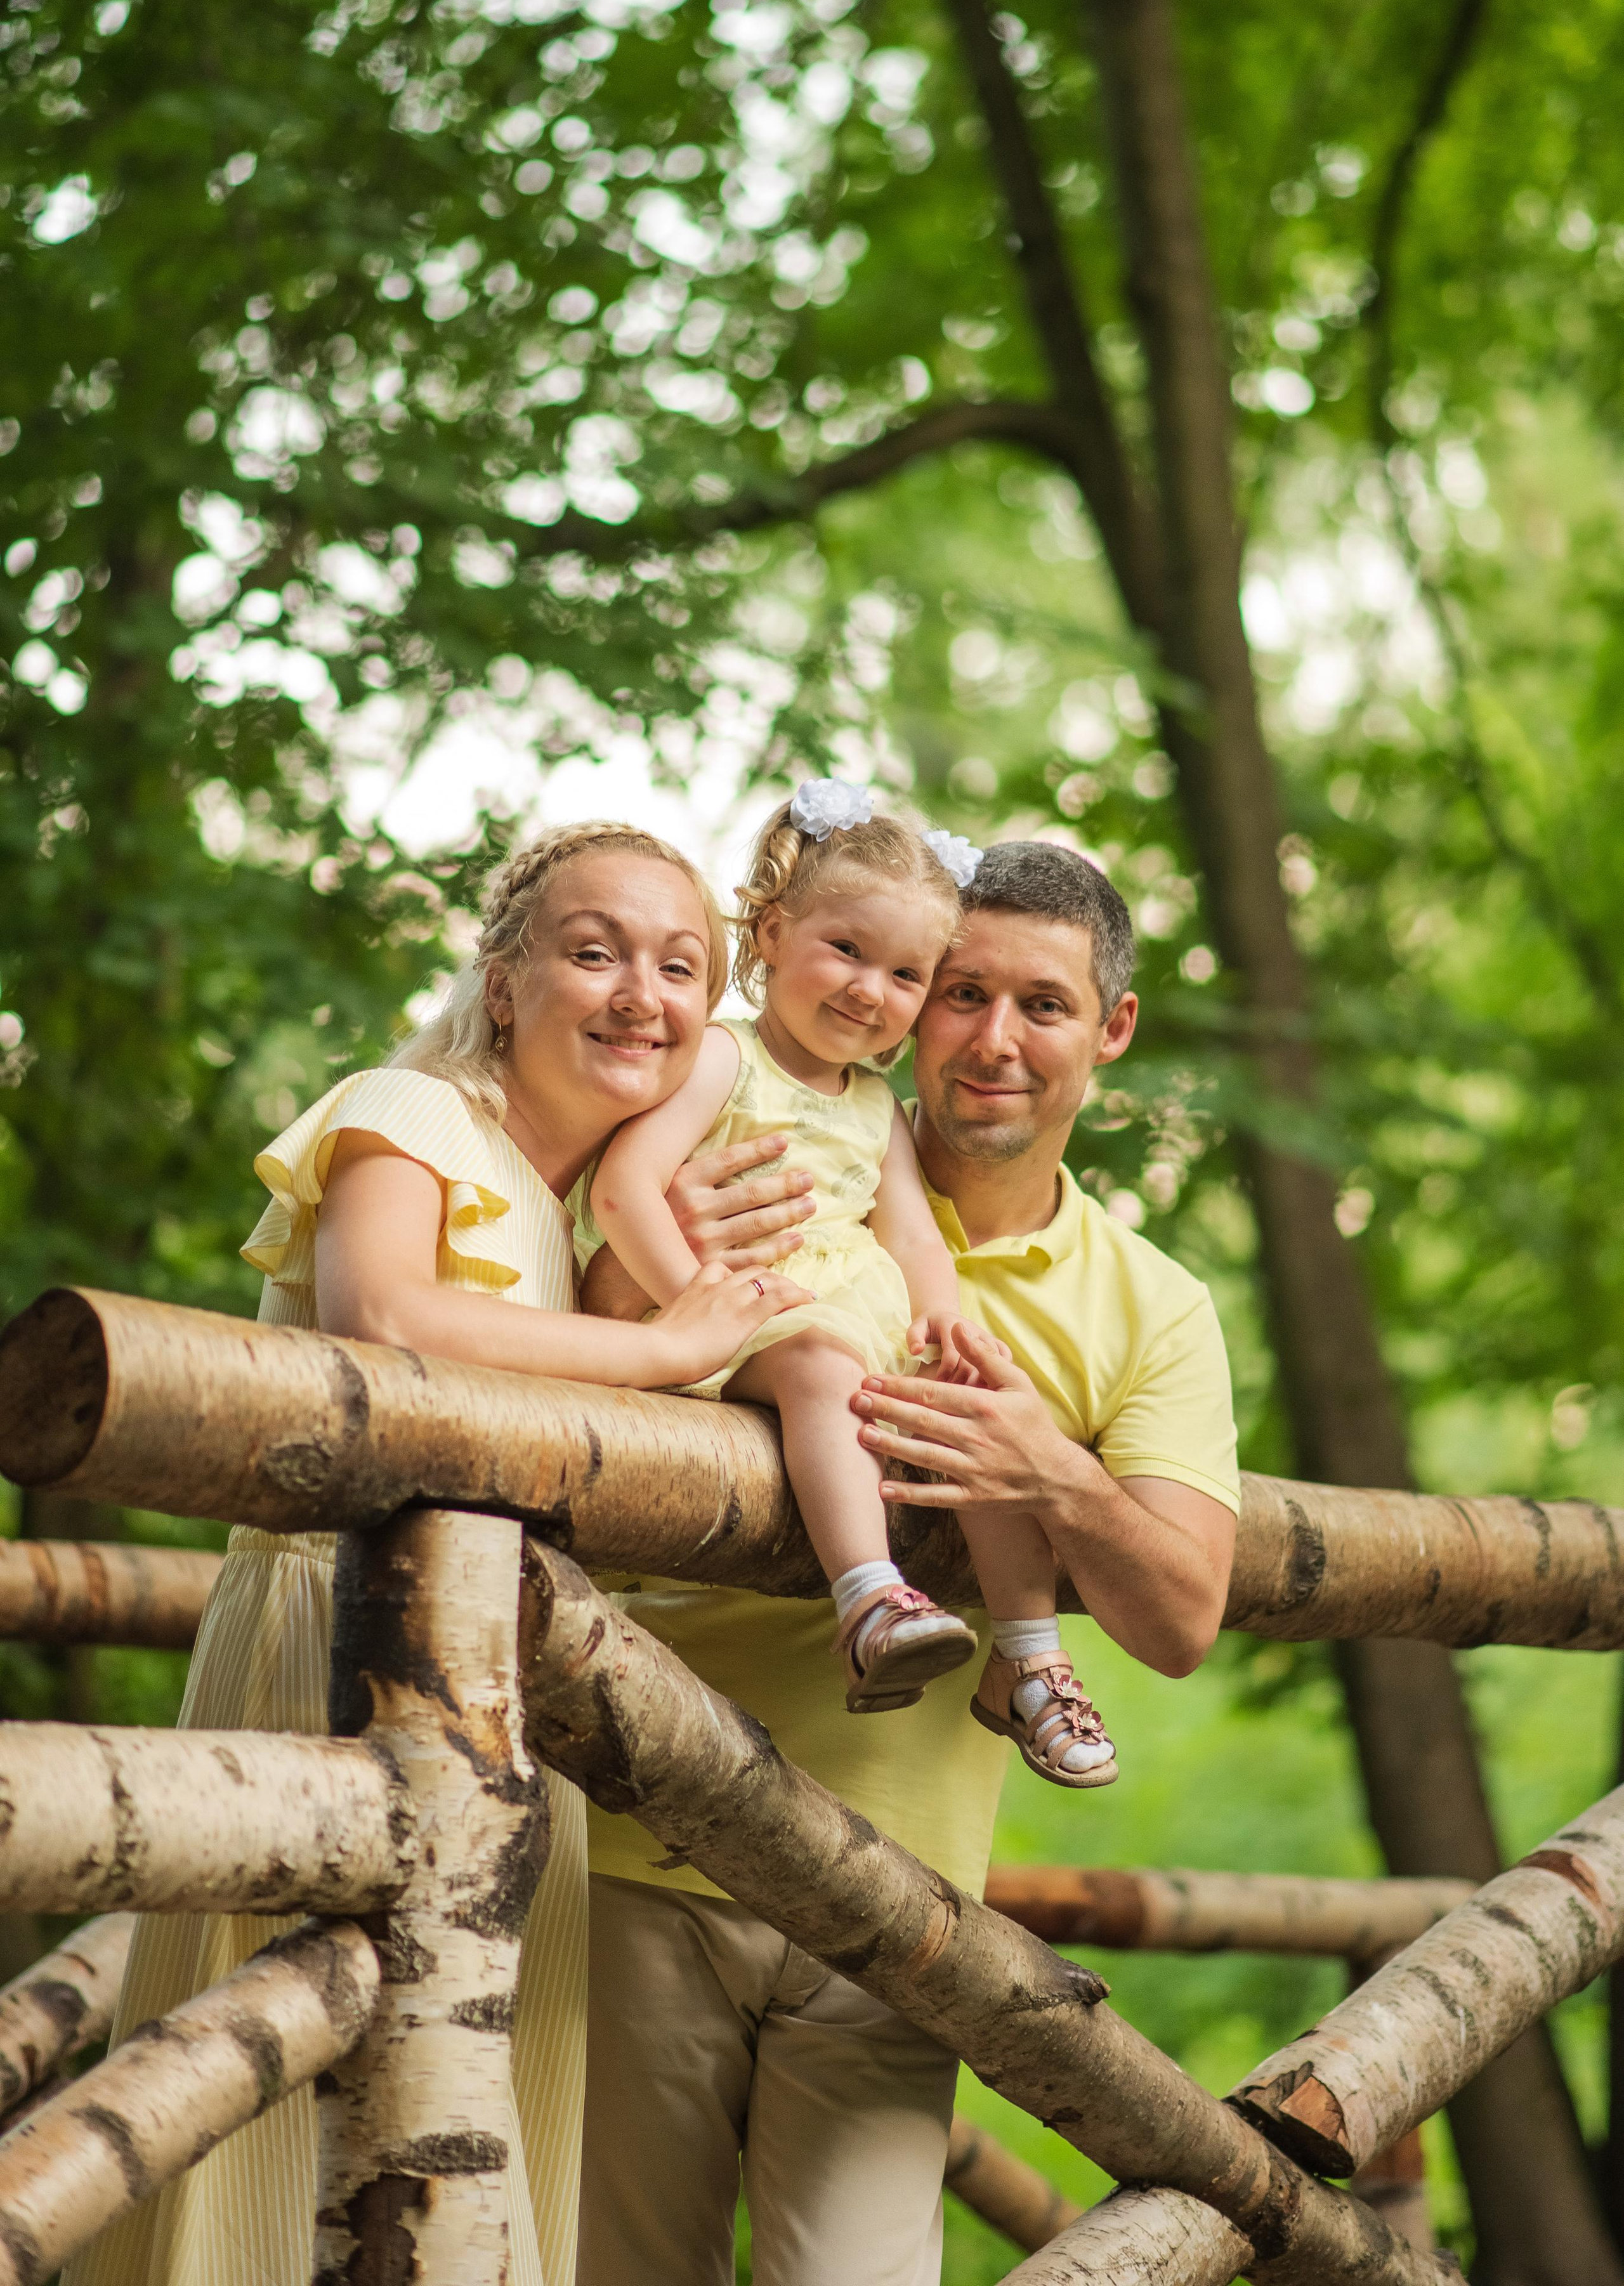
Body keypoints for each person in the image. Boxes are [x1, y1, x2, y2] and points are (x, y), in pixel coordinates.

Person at [65, 822, 805, 2286]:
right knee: (274, 2078)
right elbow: (386, 1319)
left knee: (470, 2110)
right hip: (331, 1641)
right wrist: (662, 1345)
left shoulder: (581, 1218)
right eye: (593, 952)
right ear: (506, 972)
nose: (640, 995)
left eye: (680, 968)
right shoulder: (410, 1113)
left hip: (514, 1693)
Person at [574, 837, 1239, 2286]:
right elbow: (598, 1336)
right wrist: (674, 1255)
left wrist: (1052, 1469)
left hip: (896, 1908)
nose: (991, 1037)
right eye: (960, 991)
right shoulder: (757, 1152)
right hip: (639, 1845)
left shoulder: (1154, 1305)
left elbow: (1183, 1617)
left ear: (1109, 1029)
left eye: (1043, 1004)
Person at [586, 781, 1111, 1777]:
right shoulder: (723, 1061)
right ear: (774, 932)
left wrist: (952, 1329)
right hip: (747, 1318)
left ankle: (1030, 1660)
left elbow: (912, 1241)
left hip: (844, 1319)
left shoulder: (875, 1102)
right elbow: (625, 1192)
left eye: (908, 975)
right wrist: (697, 1305)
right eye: (847, 952)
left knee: (974, 1415)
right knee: (824, 1367)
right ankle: (869, 1596)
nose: (871, 990)